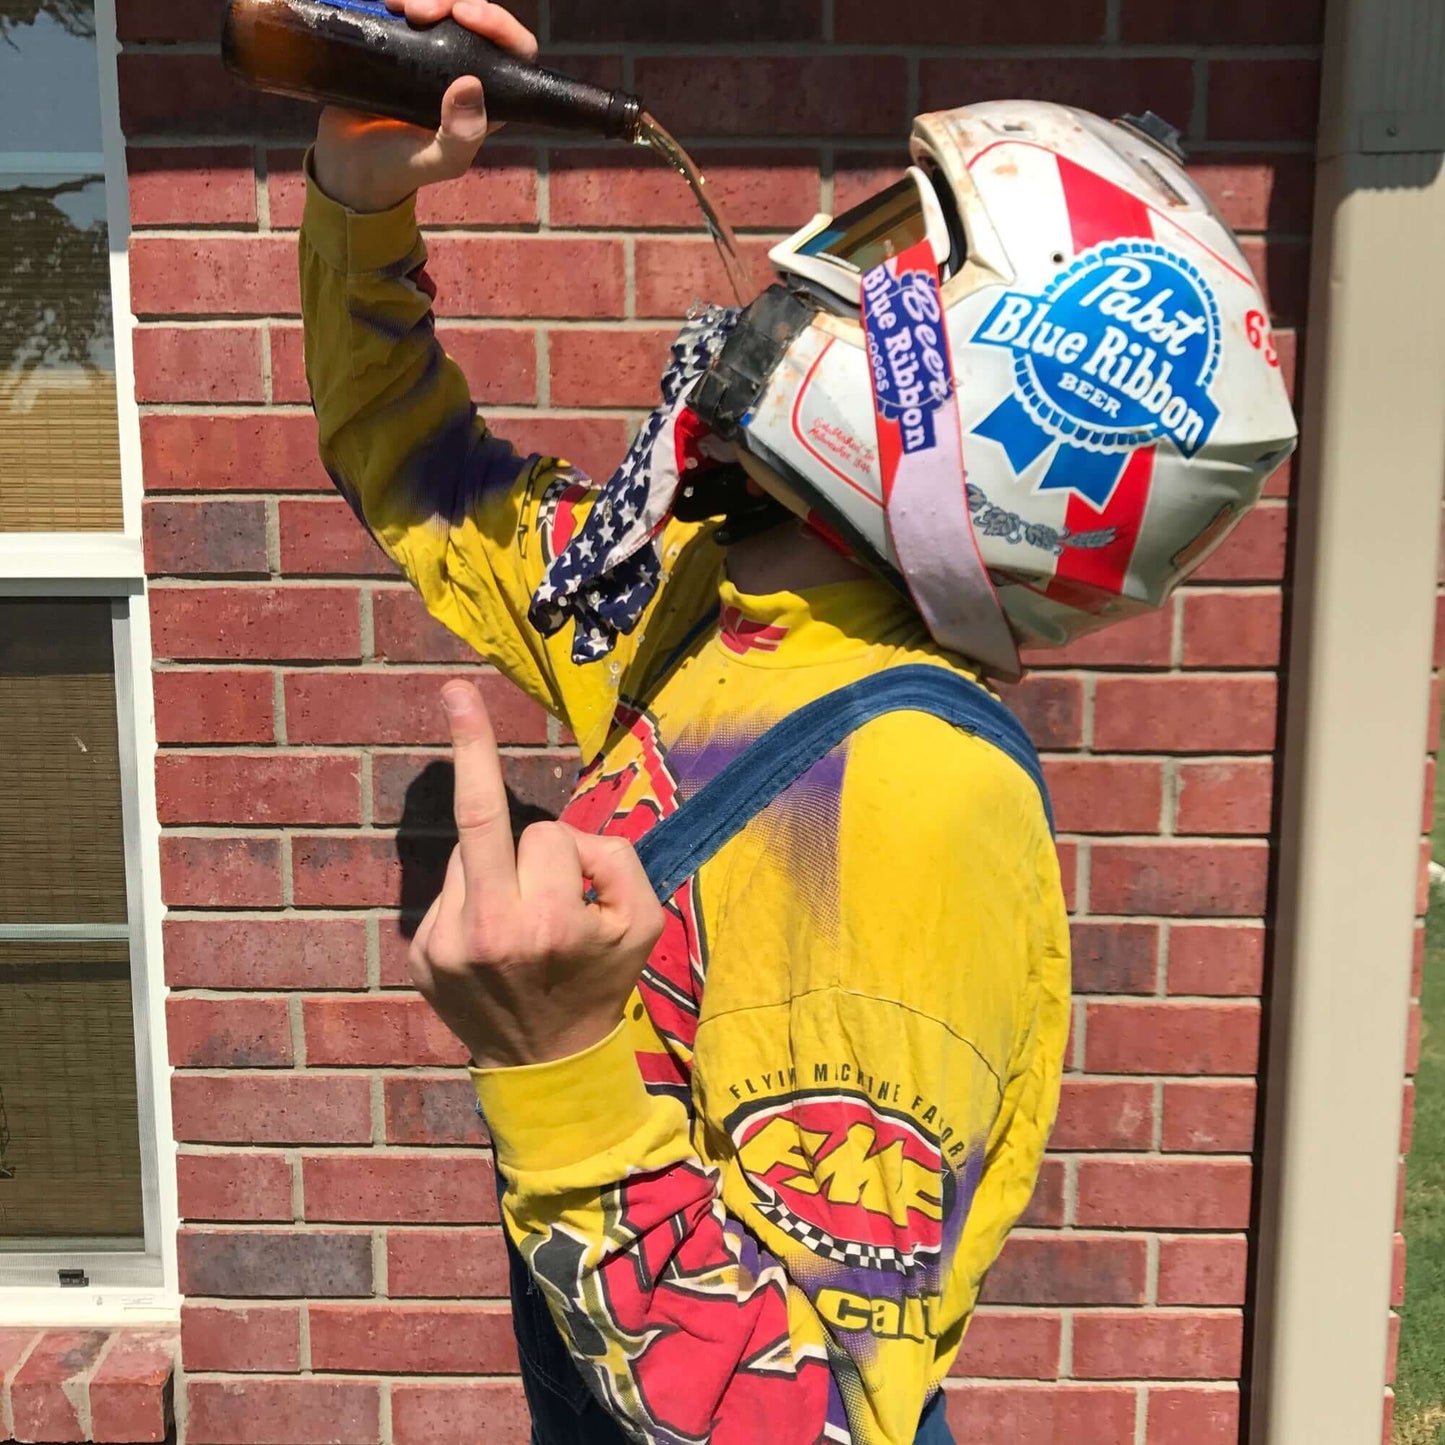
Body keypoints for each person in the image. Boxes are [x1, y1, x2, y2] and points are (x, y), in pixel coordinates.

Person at [299, 4, 1297, 1440]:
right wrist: (364, 198)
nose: (798, 266)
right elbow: (414, 461)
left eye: (886, 250)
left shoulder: (904, 798)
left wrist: (556, 1060)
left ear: (986, 386)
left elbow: (807, 1419)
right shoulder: (707, 608)